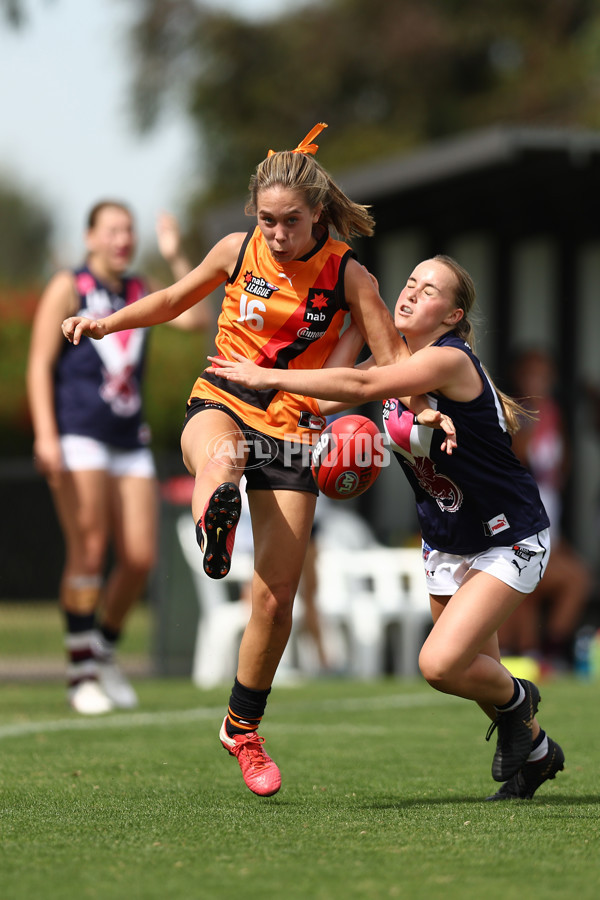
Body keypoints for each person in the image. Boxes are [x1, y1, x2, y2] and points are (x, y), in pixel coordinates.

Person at [61, 124, 447, 796]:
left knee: (275, 598)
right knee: (223, 457)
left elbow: (391, 361)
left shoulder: (350, 276)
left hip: (295, 429)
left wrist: (423, 410)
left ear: (318, 215)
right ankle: (220, 509)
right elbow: (174, 299)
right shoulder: (236, 251)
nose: (274, 234)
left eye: (288, 222)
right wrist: (107, 322)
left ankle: (242, 728)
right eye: (265, 220)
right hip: (223, 398)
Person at [207, 254, 566, 802]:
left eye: (428, 291)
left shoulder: (449, 362)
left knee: (440, 664)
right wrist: (262, 390)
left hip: (506, 535)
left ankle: (521, 703)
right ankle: (536, 753)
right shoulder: (390, 358)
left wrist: (267, 374)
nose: (410, 294)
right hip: (447, 538)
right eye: (409, 284)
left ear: (452, 316)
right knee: (476, 669)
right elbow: (323, 399)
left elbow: (353, 384)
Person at [27, 201, 211, 716]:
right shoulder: (69, 285)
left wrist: (177, 258)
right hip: (78, 433)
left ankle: (103, 650)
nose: (122, 239)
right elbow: (40, 365)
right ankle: (80, 673)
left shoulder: (140, 287)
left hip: (130, 439)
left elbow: (196, 317)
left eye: (128, 230)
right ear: (90, 237)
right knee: (89, 547)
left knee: (139, 558)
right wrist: (46, 435)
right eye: (112, 230)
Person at [498, 349, 591, 671]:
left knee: (576, 579)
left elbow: (559, 475)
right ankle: (532, 655)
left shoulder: (554, 415)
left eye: (543, 373)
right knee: (528, 586)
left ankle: (545, 653)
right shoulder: (513, 413)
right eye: (530, 373)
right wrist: (534, 415)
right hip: (522, 522)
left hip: (549, 524)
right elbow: (516, 459)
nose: (538, 380)